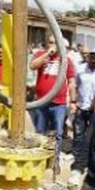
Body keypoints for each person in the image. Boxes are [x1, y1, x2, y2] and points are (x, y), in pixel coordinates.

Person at [29, 35, 76, 170]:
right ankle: (39, 161)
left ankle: (54, 161)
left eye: (55, 43)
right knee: (40, 132)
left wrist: (73, 101)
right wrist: (47, 55)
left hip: (59, 103)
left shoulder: (66, 61)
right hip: (41, 102)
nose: (53, 45)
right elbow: (32, 66)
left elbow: (72, 82)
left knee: (58, 134)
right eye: (50, 42)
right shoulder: (40, 54)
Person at [68, 51, 95, 190]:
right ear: (88, 58)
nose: (93, 60)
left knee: (91, 137)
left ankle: (89, 160)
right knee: (78, 133)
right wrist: (73, 101)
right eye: (92, 57)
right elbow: (74, 85)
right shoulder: (81, 69)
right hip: (80, 106)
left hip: (93, 109)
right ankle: (77, 160)